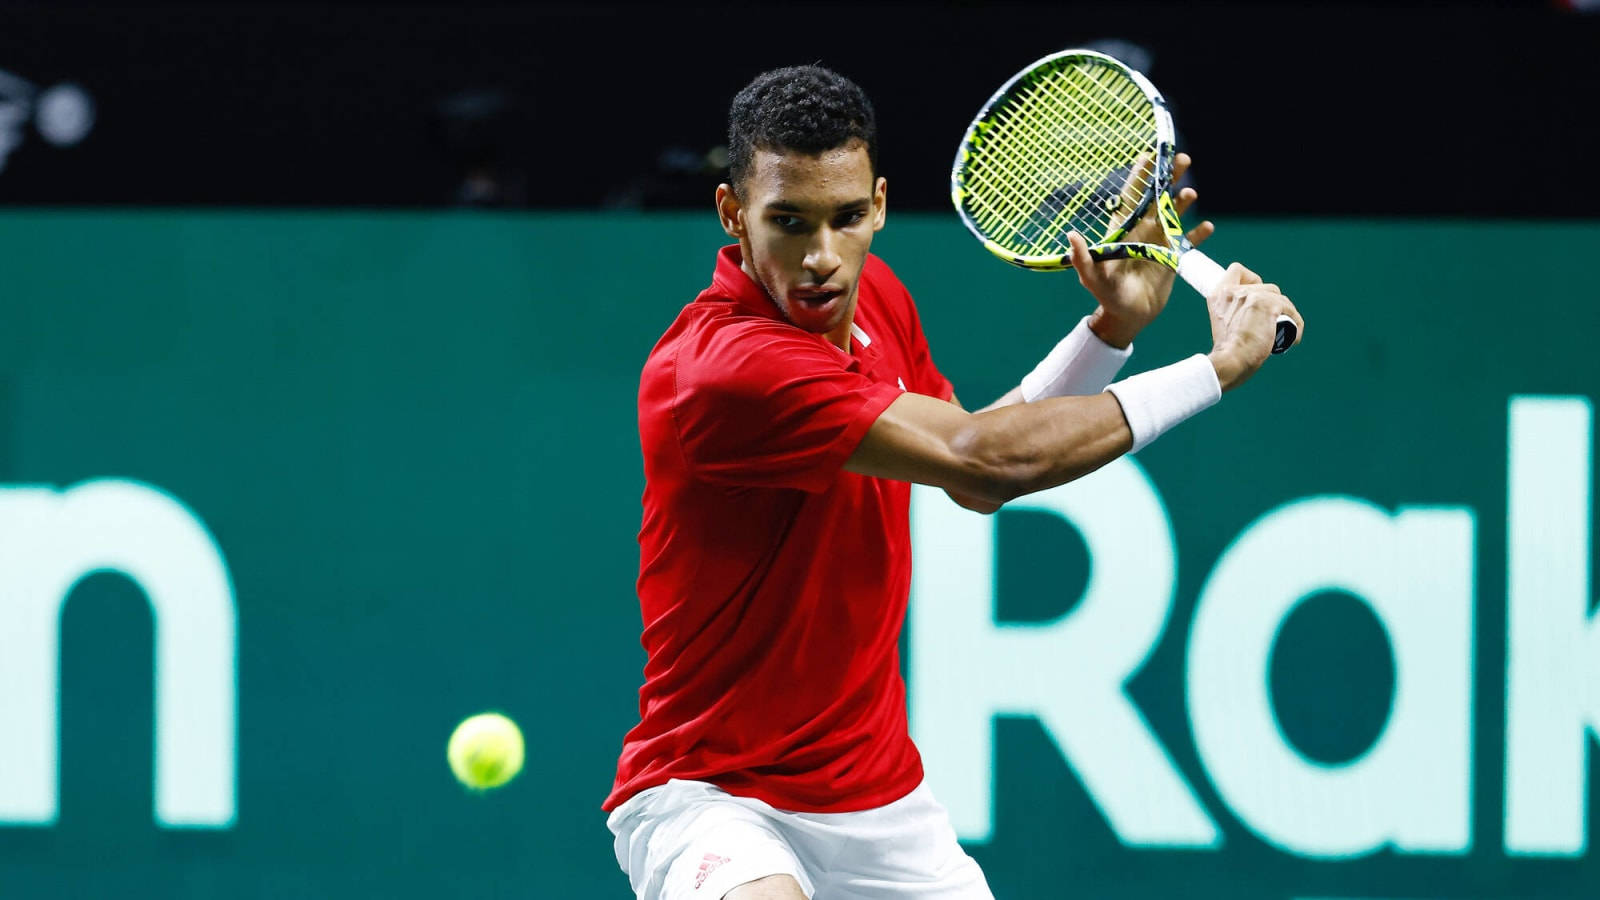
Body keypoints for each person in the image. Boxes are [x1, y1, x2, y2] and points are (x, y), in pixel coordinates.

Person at [604, 65, 1302, 900]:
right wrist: (1218, 367)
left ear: (881, 205)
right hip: (713, 792)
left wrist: (1111, 329)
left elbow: (971, 466)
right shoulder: (724, 370)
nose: (822, 257)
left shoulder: (875, 300)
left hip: (878, 800)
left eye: (847, 218)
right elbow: (985, 458)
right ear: (733, 215)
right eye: (788, 223)